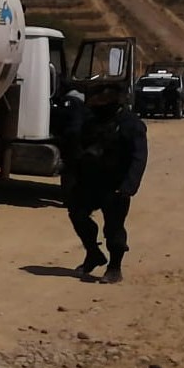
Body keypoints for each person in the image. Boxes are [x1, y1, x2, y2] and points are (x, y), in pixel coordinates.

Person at [60, 85, 148, 284]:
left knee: (114, 228)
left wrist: (128, 187)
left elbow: (138, 157)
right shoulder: (90, 120)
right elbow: (75, 145)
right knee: (77, 214)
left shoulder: (131, 124)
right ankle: (93, 253)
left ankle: (114, 268)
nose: (95, 108)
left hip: (116, 185)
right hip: (90, 181)